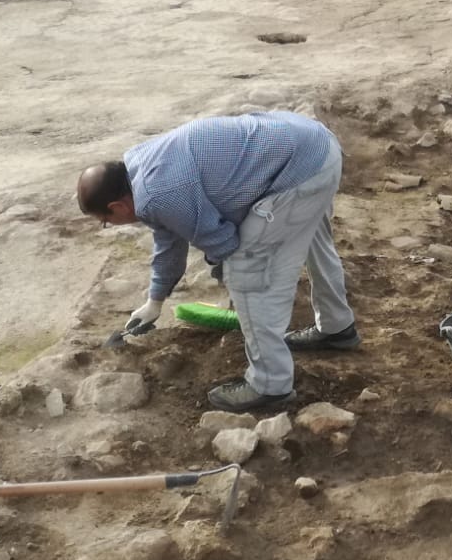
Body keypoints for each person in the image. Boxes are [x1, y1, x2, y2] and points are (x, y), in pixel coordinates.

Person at [76, 113, 357, 413]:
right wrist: (154, 301)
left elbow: (223, 241)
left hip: (299, 173)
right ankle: (336, 326)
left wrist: (229, 274)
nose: (112, 225)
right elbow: (168, 241)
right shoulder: (141, 167)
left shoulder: (157, 194)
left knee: (247, 274)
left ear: (117, 206)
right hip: (317, 147)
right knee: (314, 242)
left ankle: (270, 385)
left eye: (107, 221)